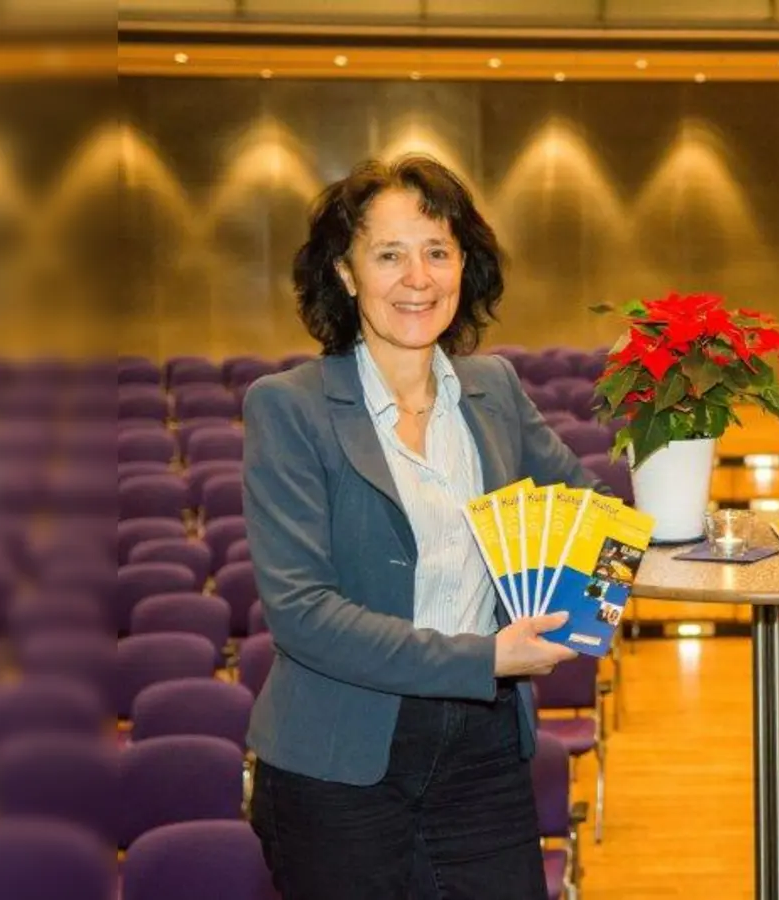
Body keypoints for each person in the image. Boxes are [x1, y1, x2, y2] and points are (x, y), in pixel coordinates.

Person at [242, 155, 602, 900]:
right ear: (346, 274)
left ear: (464, 266)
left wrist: (586, 619)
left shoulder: (493, 389)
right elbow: (304, 616)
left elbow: (588, 513)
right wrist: (484, 656)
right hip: (338, 767)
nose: (419, 277)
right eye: (389, 253)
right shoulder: (289, 408)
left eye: (438, 251)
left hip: (484, 752)